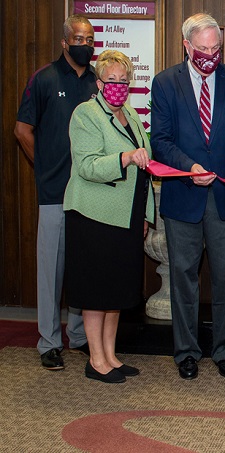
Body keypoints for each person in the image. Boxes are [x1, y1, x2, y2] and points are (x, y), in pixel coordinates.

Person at [151, 13, 225, 380]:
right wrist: (189, 166)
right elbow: (161, 142)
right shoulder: (165, 83)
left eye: (216, 48)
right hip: (184, 194)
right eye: (202, 49)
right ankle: (186, 352)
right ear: (187, 46)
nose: (210, 55)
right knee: (184, 276)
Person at [63, 50, 155, 383]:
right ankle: (95, 360)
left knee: (116, 292)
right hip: (93, 216)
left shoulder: (129, 113)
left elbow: (144, 167)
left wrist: (144, 215)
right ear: (99, 82)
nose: (117, 86)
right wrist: (125, 156)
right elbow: (87, 166)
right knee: (97, 291)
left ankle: (111, 355)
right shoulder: (85, 114)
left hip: (126, 217)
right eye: (111, 80)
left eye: (123, 80)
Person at [14, 14, 95, 370]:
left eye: (90, 38)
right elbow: (22, 130)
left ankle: (77, 336)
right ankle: (49, 341)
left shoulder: (96, 82)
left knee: (81, 266)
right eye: (79, 38)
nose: (85, 45)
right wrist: (44, 167)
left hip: (90, 193)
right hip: (54, 192)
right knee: (51, 271)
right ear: (65, 42)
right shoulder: (44, 78)